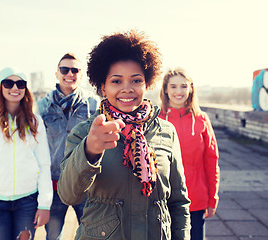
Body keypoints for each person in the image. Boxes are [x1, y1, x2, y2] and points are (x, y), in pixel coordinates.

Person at [57, 30, 191, 239]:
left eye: (136, 81)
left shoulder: (166, 131)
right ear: (103, 86)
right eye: (116, 81)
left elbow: (178, 202)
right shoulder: (84, 132)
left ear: (147, 83)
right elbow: (68, 195)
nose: (127, 89)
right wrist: (89, 151)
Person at [0, 67, 53, 240]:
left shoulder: (35, 122)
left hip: (28, 201)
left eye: (20, 84)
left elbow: (44, 164)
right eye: (8, 83)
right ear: (0, 87)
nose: (15, 88)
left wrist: (45, 204)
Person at [37, 53, 99, 240]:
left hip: (84, 182)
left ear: (80, 75)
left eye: (75, 70)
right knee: (53, 235)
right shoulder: (43, 106)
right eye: (65, 69)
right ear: (57, 74)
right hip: (55, 184)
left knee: (91, 234)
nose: (69, 74)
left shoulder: (93, 104)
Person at [158, 67, 220, 240]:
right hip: (164, 200)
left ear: (191, 88)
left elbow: (211, 160)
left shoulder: (201, 119)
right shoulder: (156, 120)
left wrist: (212, 198)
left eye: (184, 86)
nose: (179, 91)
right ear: (165, 89)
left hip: (196, 199)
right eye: (173, 86)